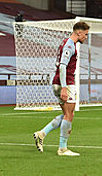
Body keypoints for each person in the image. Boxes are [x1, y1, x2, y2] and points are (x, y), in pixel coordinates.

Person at [33, 21, 90, 156]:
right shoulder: (69, 45)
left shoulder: (66, 42)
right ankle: (62, 148)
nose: (86, 37)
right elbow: (63, 66)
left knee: (67, 115)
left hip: (58, 82)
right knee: (69, 115)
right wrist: (64, 87)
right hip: (65, 83)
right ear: (79, 32)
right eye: (85, 34)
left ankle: (41, 134)